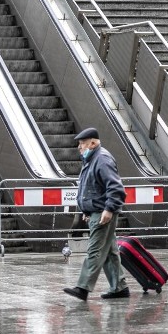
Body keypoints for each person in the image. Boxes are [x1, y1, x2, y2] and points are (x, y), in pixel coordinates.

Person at [63, 127, 129, 301]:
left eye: (82, 144)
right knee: (109, 252)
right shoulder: (92, 160)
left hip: (102, 213)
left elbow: (115, 188)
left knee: (95, 250)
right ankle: (119, 288)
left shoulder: (102, 159)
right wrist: (87, 210)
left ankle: (82, 288)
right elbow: (91, 189)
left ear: (92, 143)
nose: (79, 147)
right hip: (96, 211)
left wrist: (108, 209)